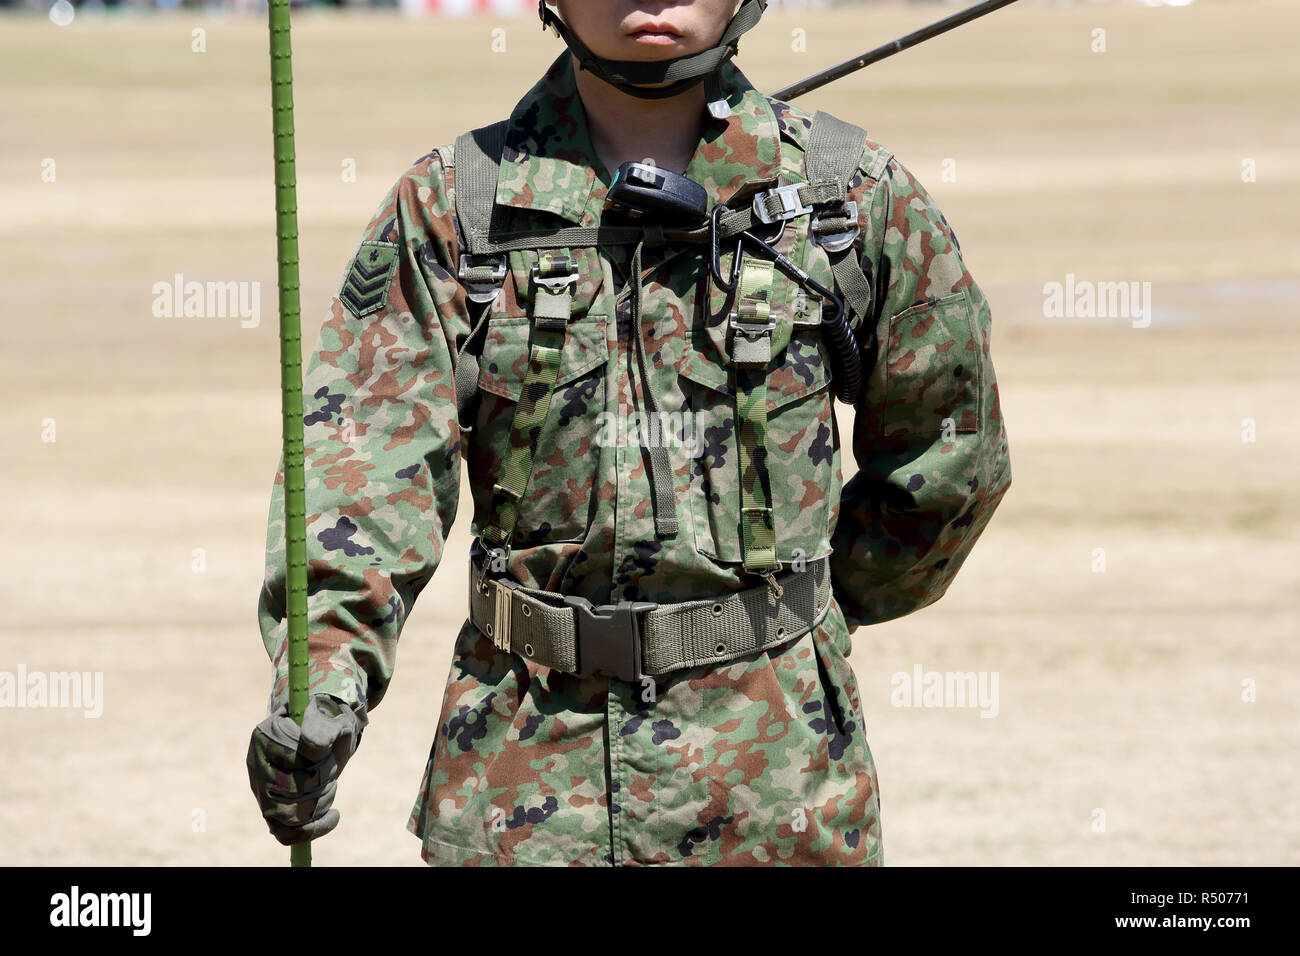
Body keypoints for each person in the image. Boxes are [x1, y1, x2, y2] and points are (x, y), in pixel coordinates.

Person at [247, 0, 1012, 866]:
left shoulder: (847, 198)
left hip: (779, 794)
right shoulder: (458, 206)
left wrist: (806, 617)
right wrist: (328, 681)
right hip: (521, 792)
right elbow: (364, 466)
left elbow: (951, 458)